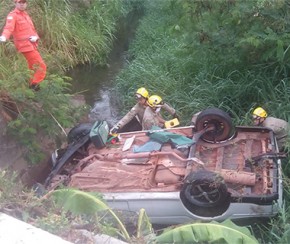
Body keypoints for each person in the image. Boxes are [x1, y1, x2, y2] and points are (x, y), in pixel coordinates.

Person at [0, 0, 46, 90]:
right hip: (25, 45)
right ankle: (34, 86)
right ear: (15, 3)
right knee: (41, 66)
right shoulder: (13, 15)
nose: (22, 4)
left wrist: (36, 37)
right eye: (20, 3)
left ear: (26, 4)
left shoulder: (25, 15)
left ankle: (32, 87)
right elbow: (8, 28)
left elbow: (32, 29)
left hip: (31, 44)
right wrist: (4, 36)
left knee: (33, 67)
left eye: (24, 3)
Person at [110, 87, 178, 133]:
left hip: (159, 122)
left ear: (146, 98)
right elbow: (128, 116)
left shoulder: (153, 101)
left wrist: (173, 113)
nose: (139, 101)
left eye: (140, 99)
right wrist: (118, 126)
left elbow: (164, 105)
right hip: (148, 126)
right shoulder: (137, 107)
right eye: (137, 99)